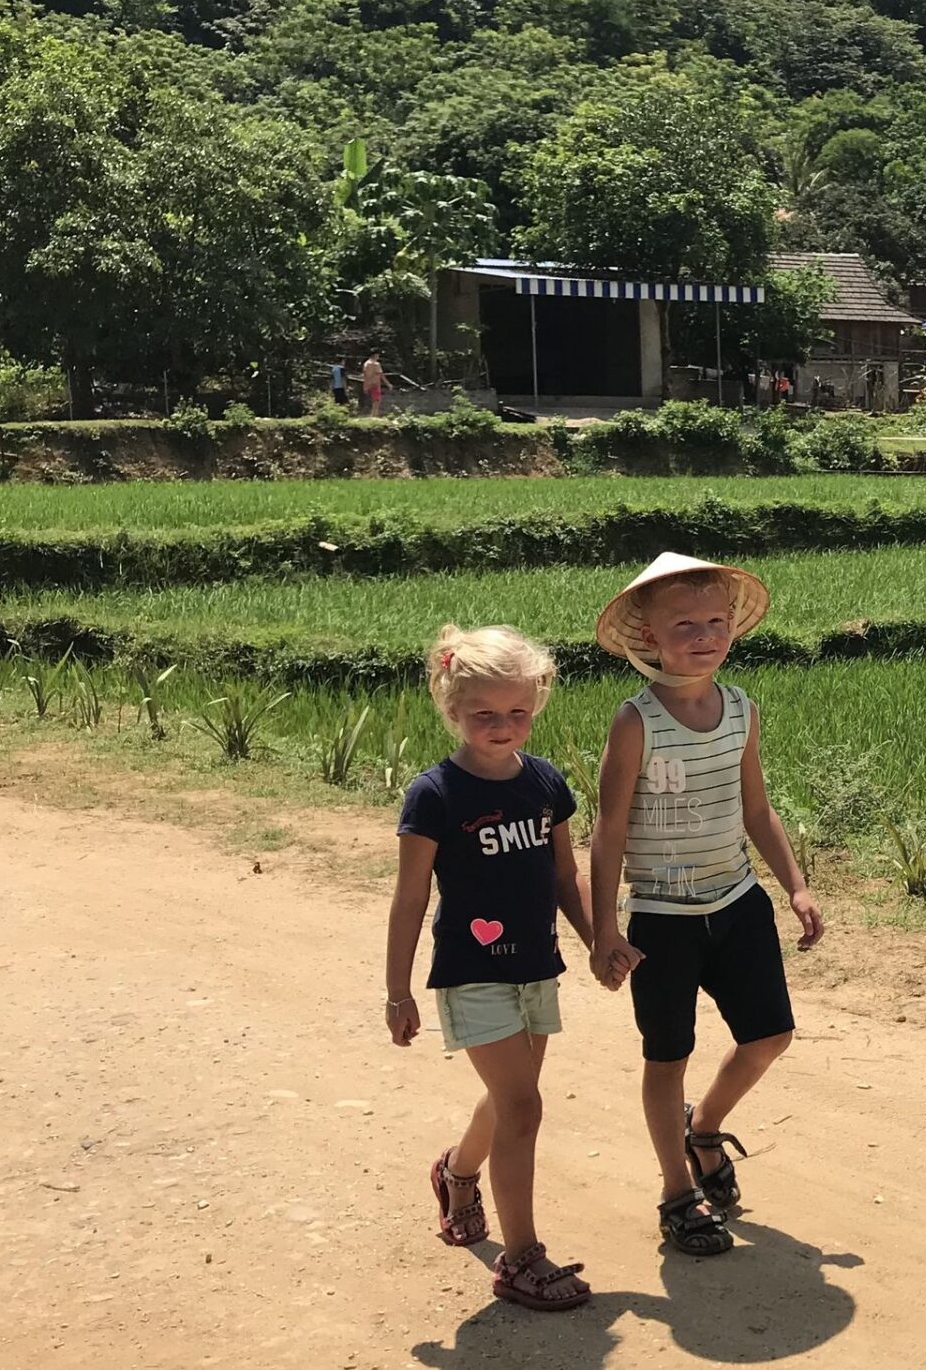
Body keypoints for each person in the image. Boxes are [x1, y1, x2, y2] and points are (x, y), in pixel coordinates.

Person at [590, 554, 823, 1257]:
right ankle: (675, 1191)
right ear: (650, 636)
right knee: (668, 1056)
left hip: (737, 901)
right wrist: (602, 930)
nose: (703, 635)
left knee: (770, 1035)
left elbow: (757, 807)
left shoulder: (743, 709)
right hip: (662, 918)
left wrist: (796, 883)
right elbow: (607, 830)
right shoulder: (636, 722)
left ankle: (704, 1126)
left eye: (715, 621)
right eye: (684, 624)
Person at [385, 625, 603, 1312]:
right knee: (522, 1104)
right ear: (452, 709)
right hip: (470, 968)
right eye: (485, 714)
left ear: (536, 705)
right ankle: (520, 1258)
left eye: (518, 712)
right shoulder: (436, 794)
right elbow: (412, 896)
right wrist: (397, 988)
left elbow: (568, 875)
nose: (503, 726)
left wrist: (600, 940)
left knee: (510, 1097)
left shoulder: (544, 783)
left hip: (537, 965)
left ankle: (457, 1171)